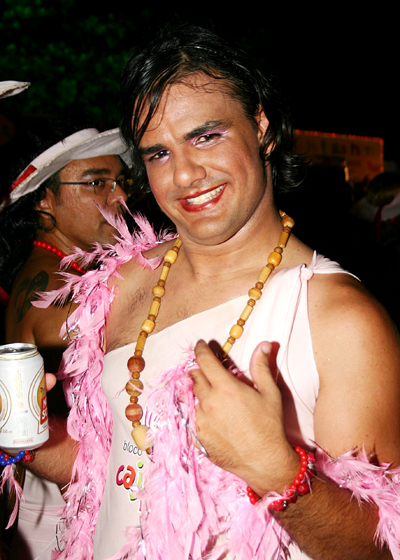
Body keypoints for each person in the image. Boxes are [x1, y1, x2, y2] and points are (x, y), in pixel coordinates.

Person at [40, 26, 400, 560]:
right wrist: (27, 437)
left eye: (205, 136)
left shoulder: (339, 319)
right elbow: (117, 467)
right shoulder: (125, 280)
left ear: (262, 128)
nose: (185, 174)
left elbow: (378, 548)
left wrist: (277, 470)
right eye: (158, 153)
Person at [0, 120, 132, 560]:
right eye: (97, 182)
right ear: (44, 200)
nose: (120, 196)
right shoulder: (55, 291)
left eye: (120, 181)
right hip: (62, 521)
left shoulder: (60, 271)